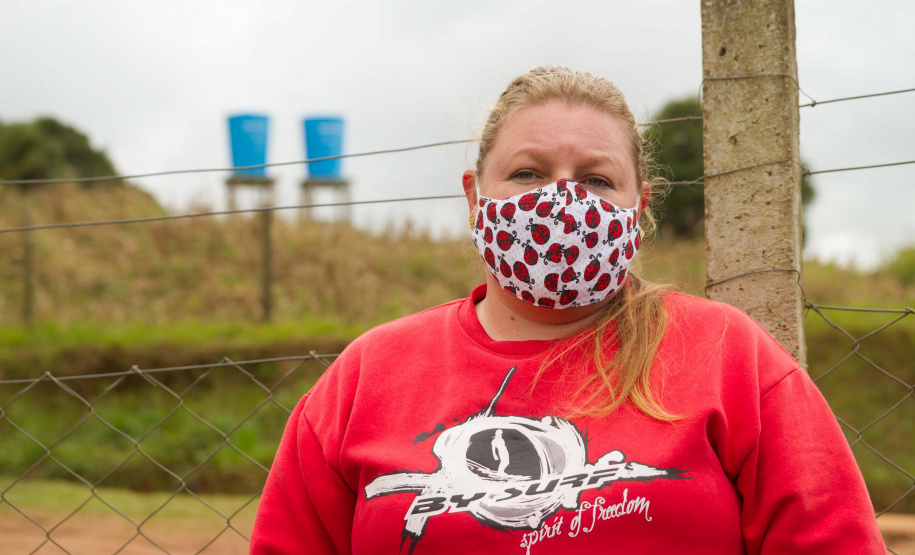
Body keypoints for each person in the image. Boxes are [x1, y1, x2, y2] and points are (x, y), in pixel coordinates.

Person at [249, 67, 885, 554]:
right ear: (475, 197)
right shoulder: (369, 375)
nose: (561, 201)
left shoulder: (728, 356)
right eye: (528, 172)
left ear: (640, 205)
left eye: (597, 179)